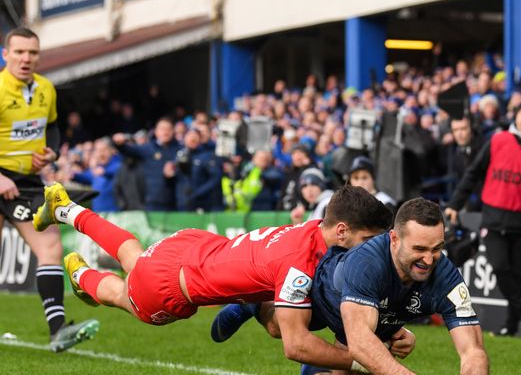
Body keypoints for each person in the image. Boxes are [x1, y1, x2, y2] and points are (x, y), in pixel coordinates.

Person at [33, 183, 398, 370]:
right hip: (170, 286)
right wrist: (364, 359)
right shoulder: (299, 263)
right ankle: (83, 277)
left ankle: (67, 209)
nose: (371, 249)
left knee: (132, 253)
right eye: (367, 240)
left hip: (192, 246)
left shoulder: (313, 230)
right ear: (342, 231)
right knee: (124, 295)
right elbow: (296, 345)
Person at [304, 198, 488, 374]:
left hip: (374, 315)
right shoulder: (367, 263)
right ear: (394, 239)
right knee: (276, 325)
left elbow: (473, 351)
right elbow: (360, 341)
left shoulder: (447, 278)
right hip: (321, 296)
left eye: (437, 248)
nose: (429, 260)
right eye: (419, 249)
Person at [0, 27, 99, 352]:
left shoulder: (46, 89)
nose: (26, 59)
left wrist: (53, 152)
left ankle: (58, 331)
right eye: (19, 52)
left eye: (32, 53)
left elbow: (52, 126)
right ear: (5, 54)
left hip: (26, 182)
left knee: (51, 247)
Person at [445, 97, 521, 338]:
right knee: (499, 267)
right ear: (515, 116)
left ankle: (511, 325)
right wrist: (455, 203)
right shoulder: (497, 140)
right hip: (494, 218)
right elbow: (473, 173)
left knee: (516, 274)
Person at [112, 116, 180, 211]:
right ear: (156, 131)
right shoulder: (148, 148)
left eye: (168, 129)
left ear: (173, 132)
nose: (165, 132)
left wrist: (174, 173)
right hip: (151, 202)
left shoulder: (180, 149)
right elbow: (129, 150)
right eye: (162, 129)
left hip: (174, 202)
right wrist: (119, 144)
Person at [310, 156, 397, 220]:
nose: (360, 182)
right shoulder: (341, 203)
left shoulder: (385, 203)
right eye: (356, 178)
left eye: (364, 177)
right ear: (350, 180)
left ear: (373, 179)